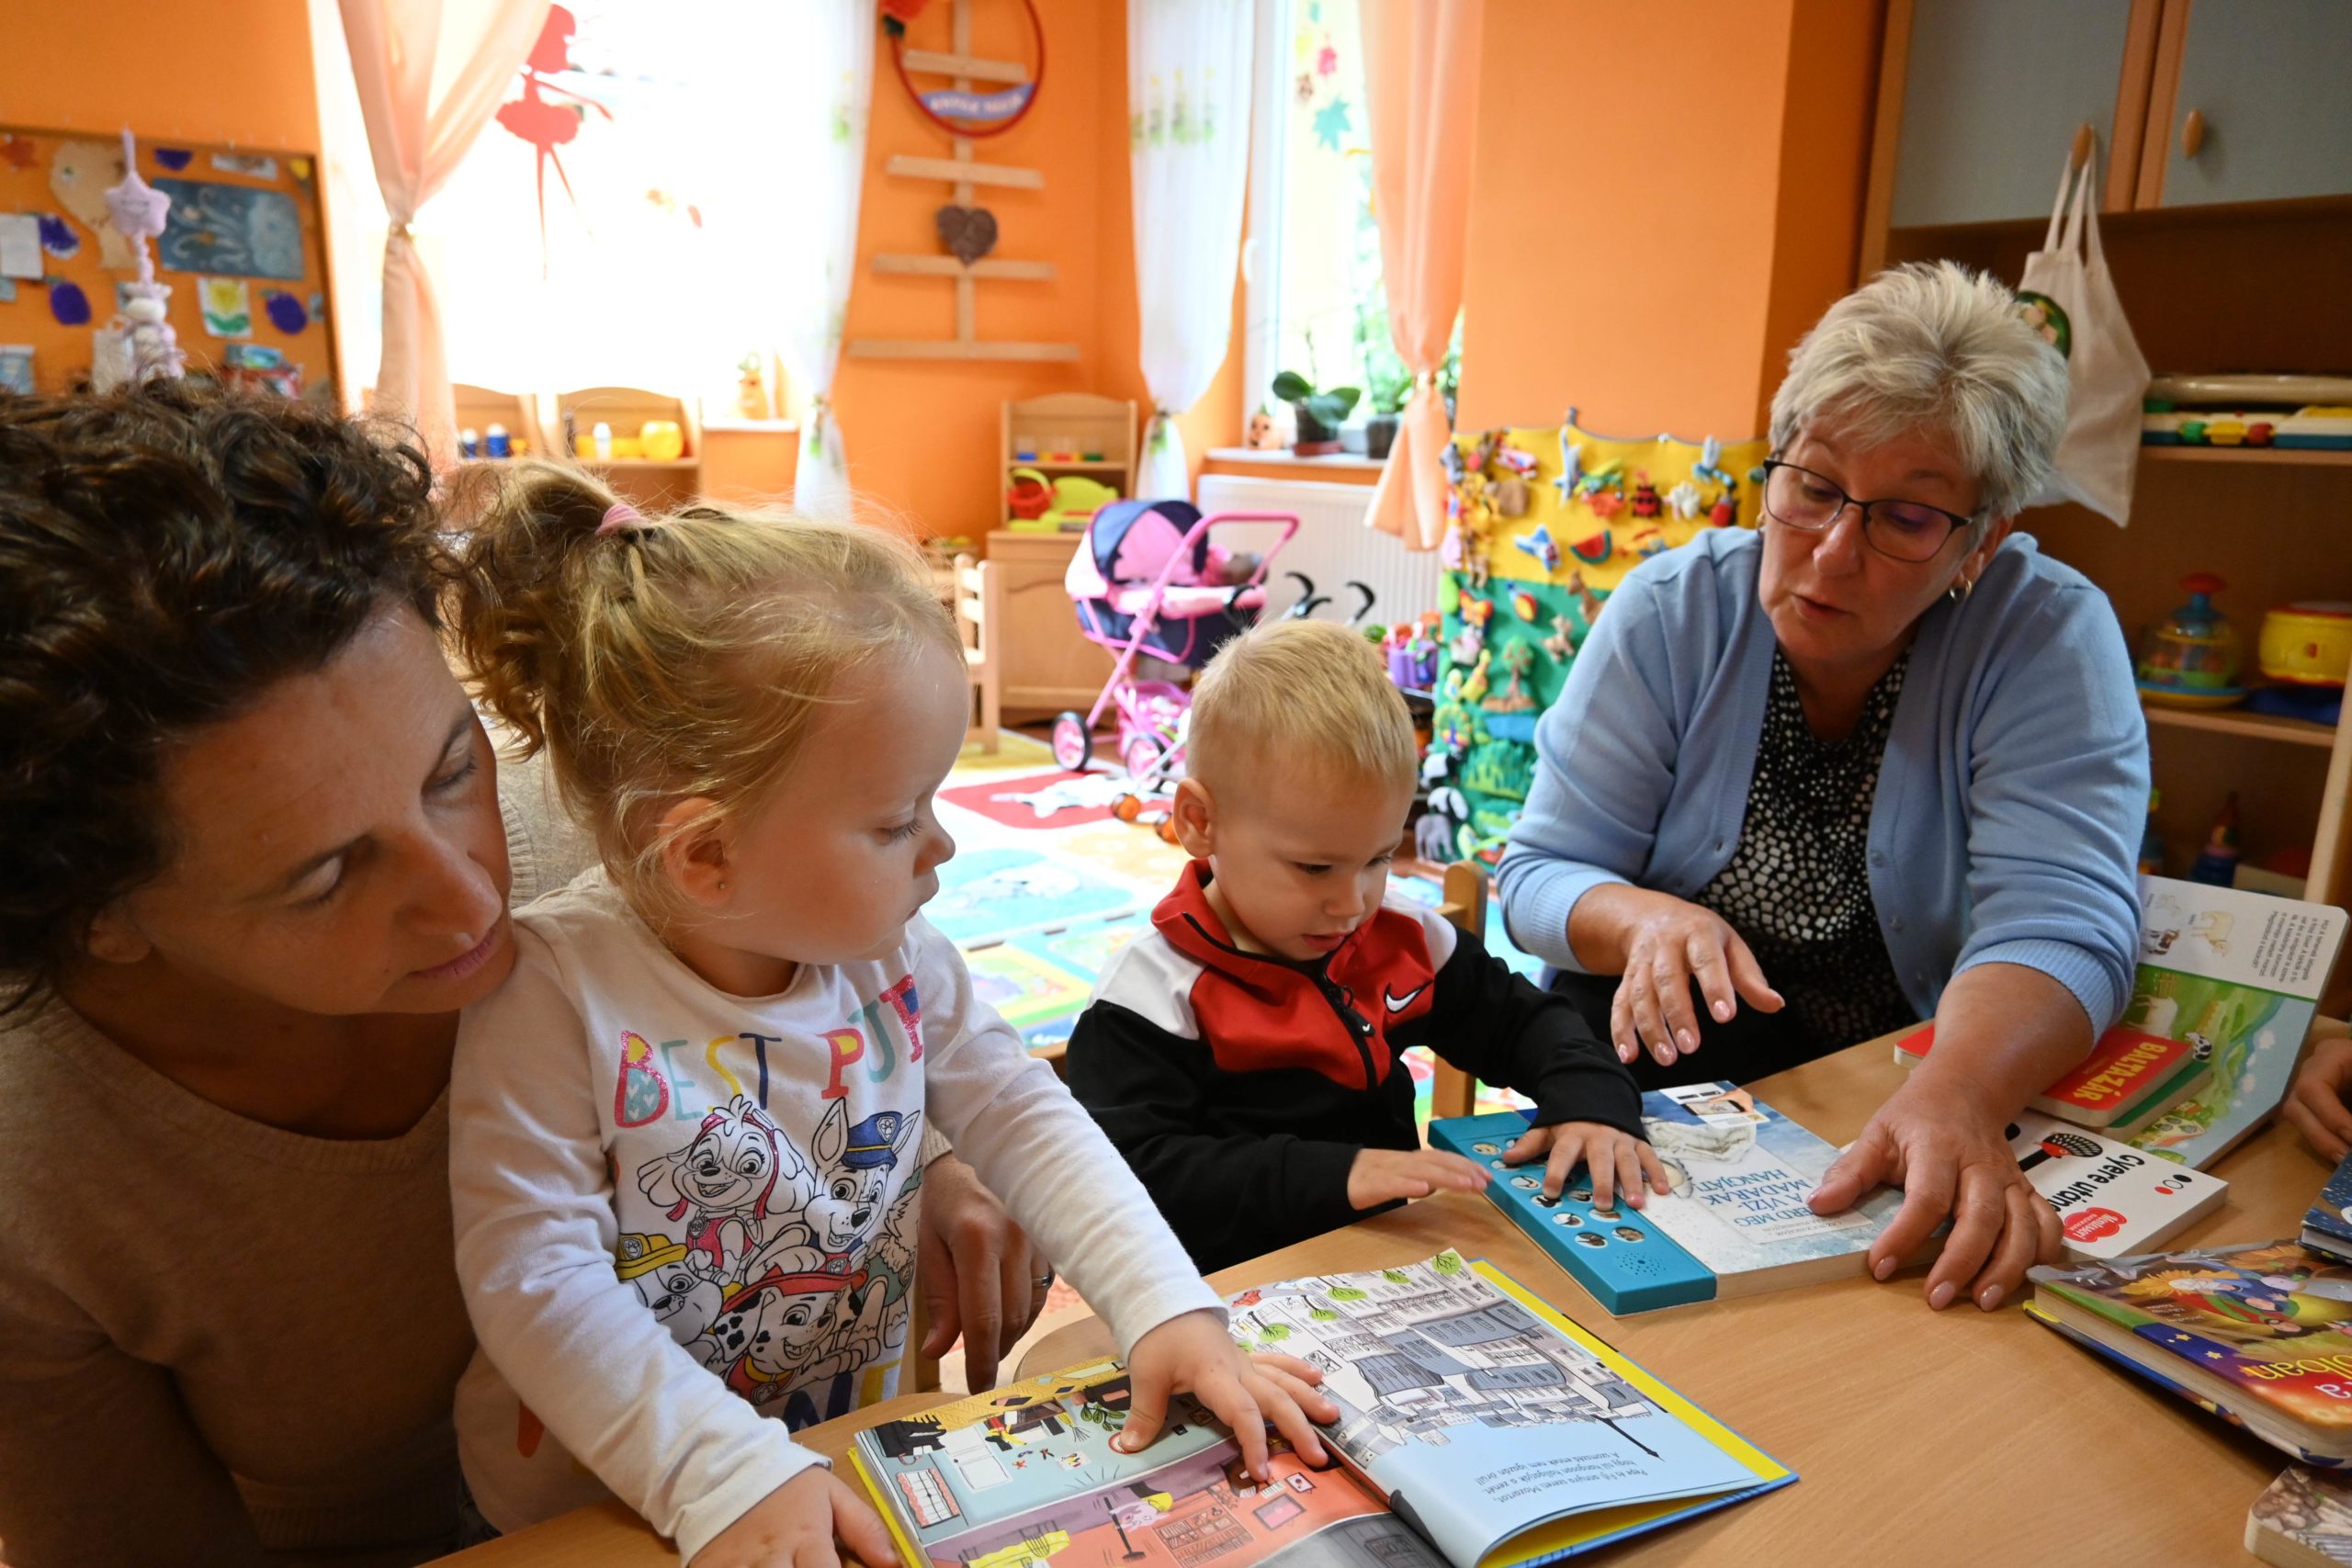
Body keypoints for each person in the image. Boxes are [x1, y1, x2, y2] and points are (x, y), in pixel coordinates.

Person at [0, 382, 1046, 1567]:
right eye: (327, 875)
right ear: (102, 919)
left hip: (789, 1474)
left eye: (455, 770)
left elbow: (865, 989)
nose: (472, 899)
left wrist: (933, 1153)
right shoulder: (36, 1181)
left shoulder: (624, 821)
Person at [441, 468, 1337, 1567]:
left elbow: (1025, 1117)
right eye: (896, 820)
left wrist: (1165, 1306)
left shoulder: (893, 956)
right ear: (707, 854)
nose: (942, 845)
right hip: (618, 1508)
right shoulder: (549, 992)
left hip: (846, 1459)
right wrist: (718, 1474)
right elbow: (536, 1280)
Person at [1497, 261, 2150, 1315]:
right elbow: (1536, 876)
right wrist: (1642, 917)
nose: (1832, 552)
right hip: (1657, 1082)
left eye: (1906, 517)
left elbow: (2064, 925)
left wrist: (1956, 1093)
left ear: (1981, 541)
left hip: (1901, 1077)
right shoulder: (1671, 611)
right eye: (1811, 487)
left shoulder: (2043, 638)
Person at [1068, 618, 1660, 1274]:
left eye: (1379, 858)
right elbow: (1134, 1178)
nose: (1352, 904)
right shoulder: (1149, 998)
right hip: (1225, 1294)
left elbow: (1525, 1021)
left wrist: (1592, 1100)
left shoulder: (1402, 937)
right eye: (1315, 868)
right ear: (1200, 822)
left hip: (1389, 1263)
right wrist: (1339, 1174)